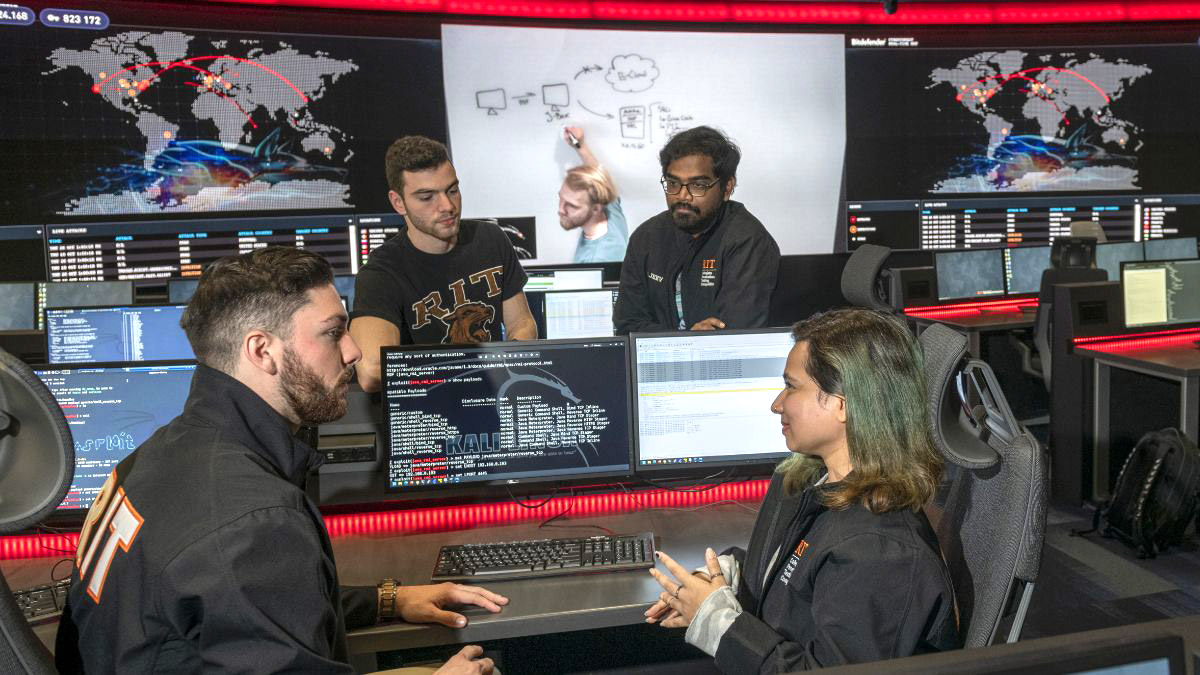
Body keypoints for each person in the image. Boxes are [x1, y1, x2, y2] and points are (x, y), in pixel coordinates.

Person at [55, 247, 503, 674]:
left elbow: (239, 604)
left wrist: (388, 600)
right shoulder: (255, 522)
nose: (353, 351)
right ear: (262, 351)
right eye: (333, 332)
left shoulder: (156, 455)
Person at [645, 308, 960, 673]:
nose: (777, 403)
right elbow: (791, 577)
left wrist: (718, 622)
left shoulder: (880, 551)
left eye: (792, 386)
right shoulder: (808, 481)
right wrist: (722, 577)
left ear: (842, 404)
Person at [351, 135, 537, 392]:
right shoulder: (382, 272)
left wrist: (512, 364)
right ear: (398, 202)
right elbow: (371, 372)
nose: (448, 206)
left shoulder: (490, 239)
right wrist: (473, 372)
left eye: (452, 190)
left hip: (495, 398)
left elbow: (522, 324)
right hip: (428, 414)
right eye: (427, 197)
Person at [613, 125, 780, 334]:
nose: (683, 196)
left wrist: (674, 339)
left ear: (727, 188)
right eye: (673, 183)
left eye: (698, 185)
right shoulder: (646, 237)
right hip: (653, 363)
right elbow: (627, 324)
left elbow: (736, 336)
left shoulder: (748, 241)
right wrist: (688, 338)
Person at [558, 125, 628, 263]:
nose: (560, 210)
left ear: (596, 208)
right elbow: (601, 180)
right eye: (560, 199)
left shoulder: (597, 260)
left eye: (572, 205)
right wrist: (580, 145)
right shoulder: (610, 213)